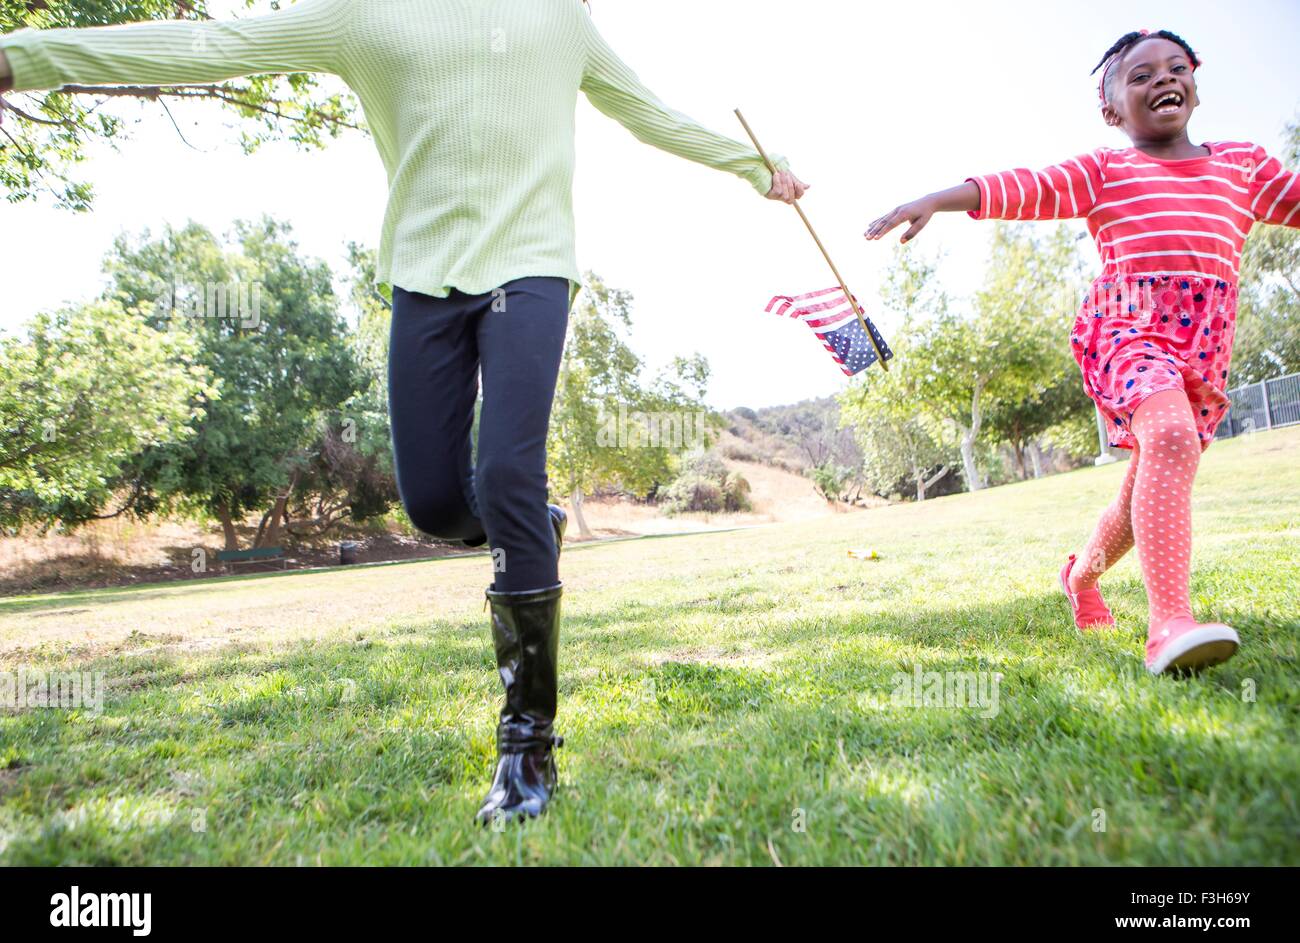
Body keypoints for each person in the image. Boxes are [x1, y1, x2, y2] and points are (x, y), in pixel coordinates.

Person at [0, 0, 807, 818]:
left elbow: (646, 109)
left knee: (506, 471)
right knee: (431, 503)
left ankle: (527, 751)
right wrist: (21, 59)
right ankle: (530, 525)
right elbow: (215, 42)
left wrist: (754, 162)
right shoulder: (363, 17)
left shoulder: (558, 14)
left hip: (530, 266)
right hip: (423, 278)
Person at [865, 29, 1300, 675]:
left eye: (1175, 69)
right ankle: (1170, 624)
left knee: (1146, 483)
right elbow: (1028, 185)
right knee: (1173, 442)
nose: (1162, 81)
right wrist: (937, 199)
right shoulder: (1108, 170)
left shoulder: (1243, 164)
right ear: (1112, 109)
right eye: (1141, 76)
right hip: (1127, 330)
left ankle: (1081, 576)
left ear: (1196, 84)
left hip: (1203, 344)